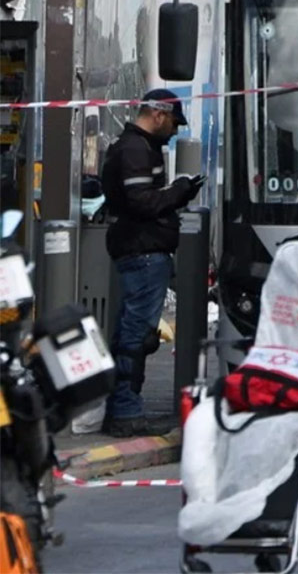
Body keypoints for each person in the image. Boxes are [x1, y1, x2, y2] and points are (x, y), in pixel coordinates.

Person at [100, 89, 203, 437]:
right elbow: (141, 202)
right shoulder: (134, 150)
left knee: (134, 331)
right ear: (158, 115)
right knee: (137, 334)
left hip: (141, 250)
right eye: (173, 122)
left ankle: (124, 408)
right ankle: (125, 412)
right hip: (142, 251)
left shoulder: (139, 147)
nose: (175, 131)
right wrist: (180, 191)